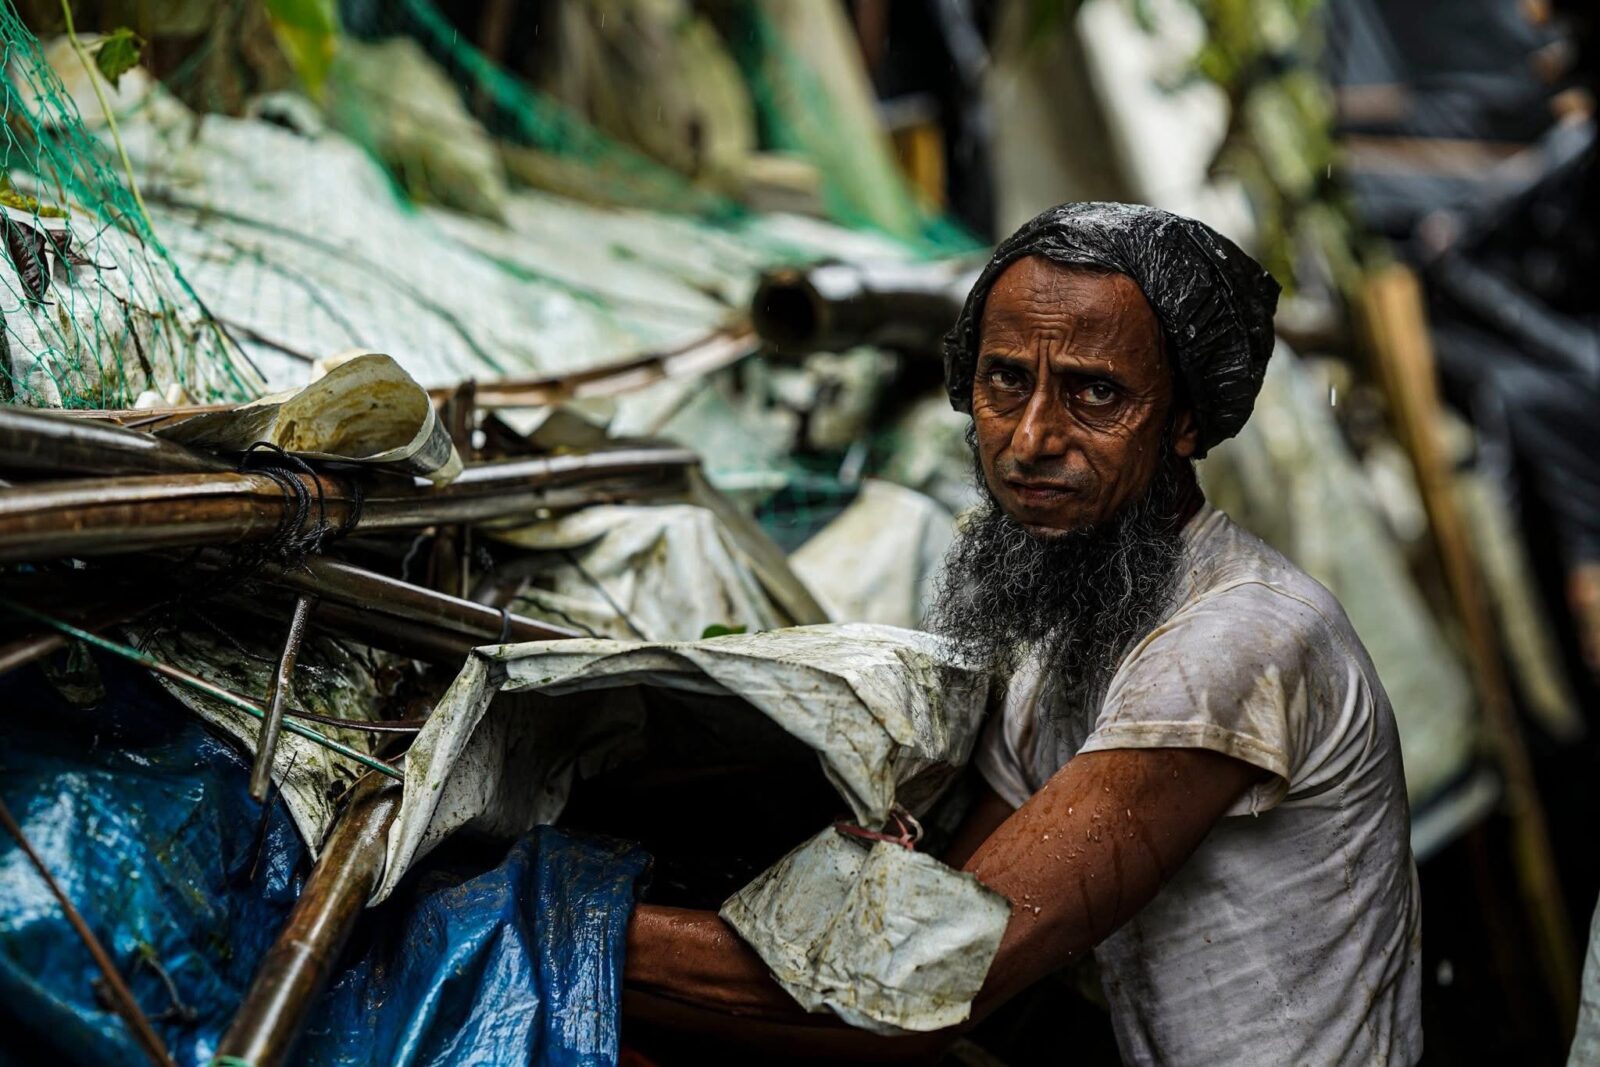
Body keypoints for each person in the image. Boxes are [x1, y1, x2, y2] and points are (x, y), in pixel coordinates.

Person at [623, 203, 1422, 1065]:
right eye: (1005, 380)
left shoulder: (1237, 641)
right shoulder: (1063, 643)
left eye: (1095, 392)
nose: (1032, 437)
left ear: (1185, 421)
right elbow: (950, 906)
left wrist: (584, 929)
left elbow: (927, 978)